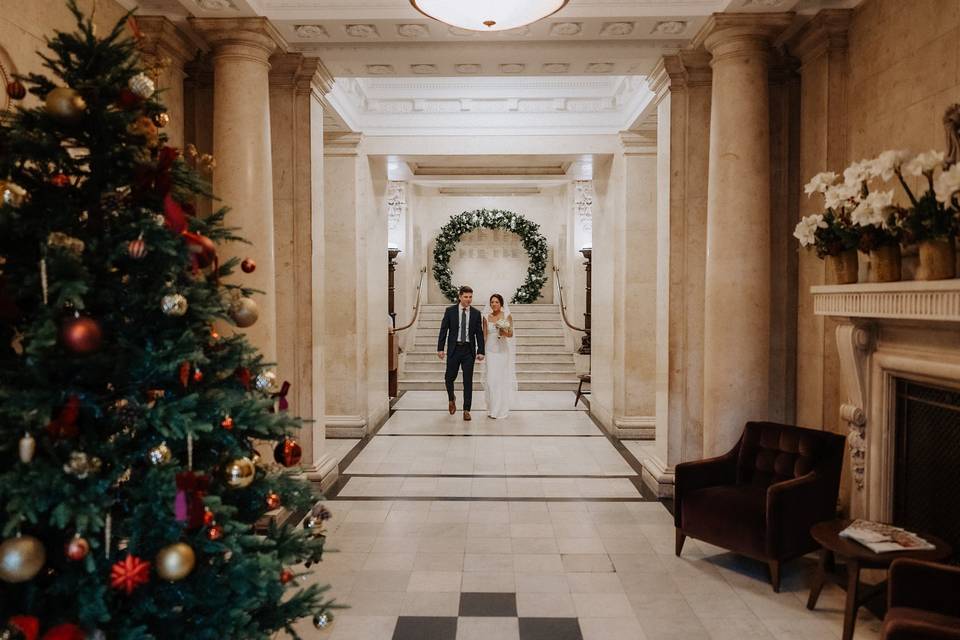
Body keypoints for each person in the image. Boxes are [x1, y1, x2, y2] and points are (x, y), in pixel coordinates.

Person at [438, 285, 485, 421]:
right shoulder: (450, 311)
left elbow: (479, 334)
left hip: (468, 351)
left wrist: (480, 350)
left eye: (470, 297)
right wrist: (440, 348)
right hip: (454, 349)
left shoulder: (476, 313)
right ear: (460, 297)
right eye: (466, 297)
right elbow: (443, 330)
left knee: (467, 381)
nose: (468, 300)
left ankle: (466, 409)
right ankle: (451, 398)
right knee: (449, 378)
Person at [483, 293, 517, 419]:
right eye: (492, 302)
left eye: (496, 302)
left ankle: (500, 409)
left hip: (502, 351)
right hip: (490, 351)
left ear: (501, 303)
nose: (494, 304)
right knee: (491, 379)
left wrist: (502, 329)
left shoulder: (507, 316)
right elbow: (484, 335)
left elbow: (510, 334)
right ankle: (492, 408)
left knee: (501, 379)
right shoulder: (486, 317)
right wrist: (480, 351)